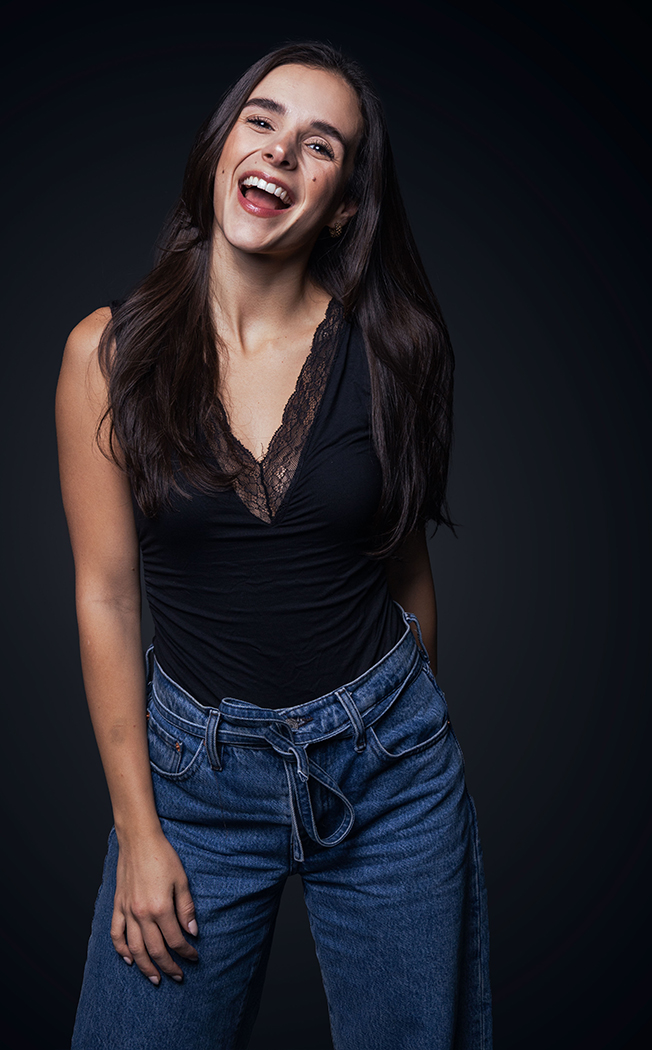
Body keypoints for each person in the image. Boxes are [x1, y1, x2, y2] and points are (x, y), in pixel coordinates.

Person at [56, 40, 492, 1050]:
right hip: (194, 785)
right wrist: (138, 830)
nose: (281, 153)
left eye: (320, 145)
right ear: (221, 147)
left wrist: (391, 737)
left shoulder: (397, 352)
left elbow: (405, 569)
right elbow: (106, 596)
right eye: (262, 120)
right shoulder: (105, 355)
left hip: (390, 776)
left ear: (342, 207)